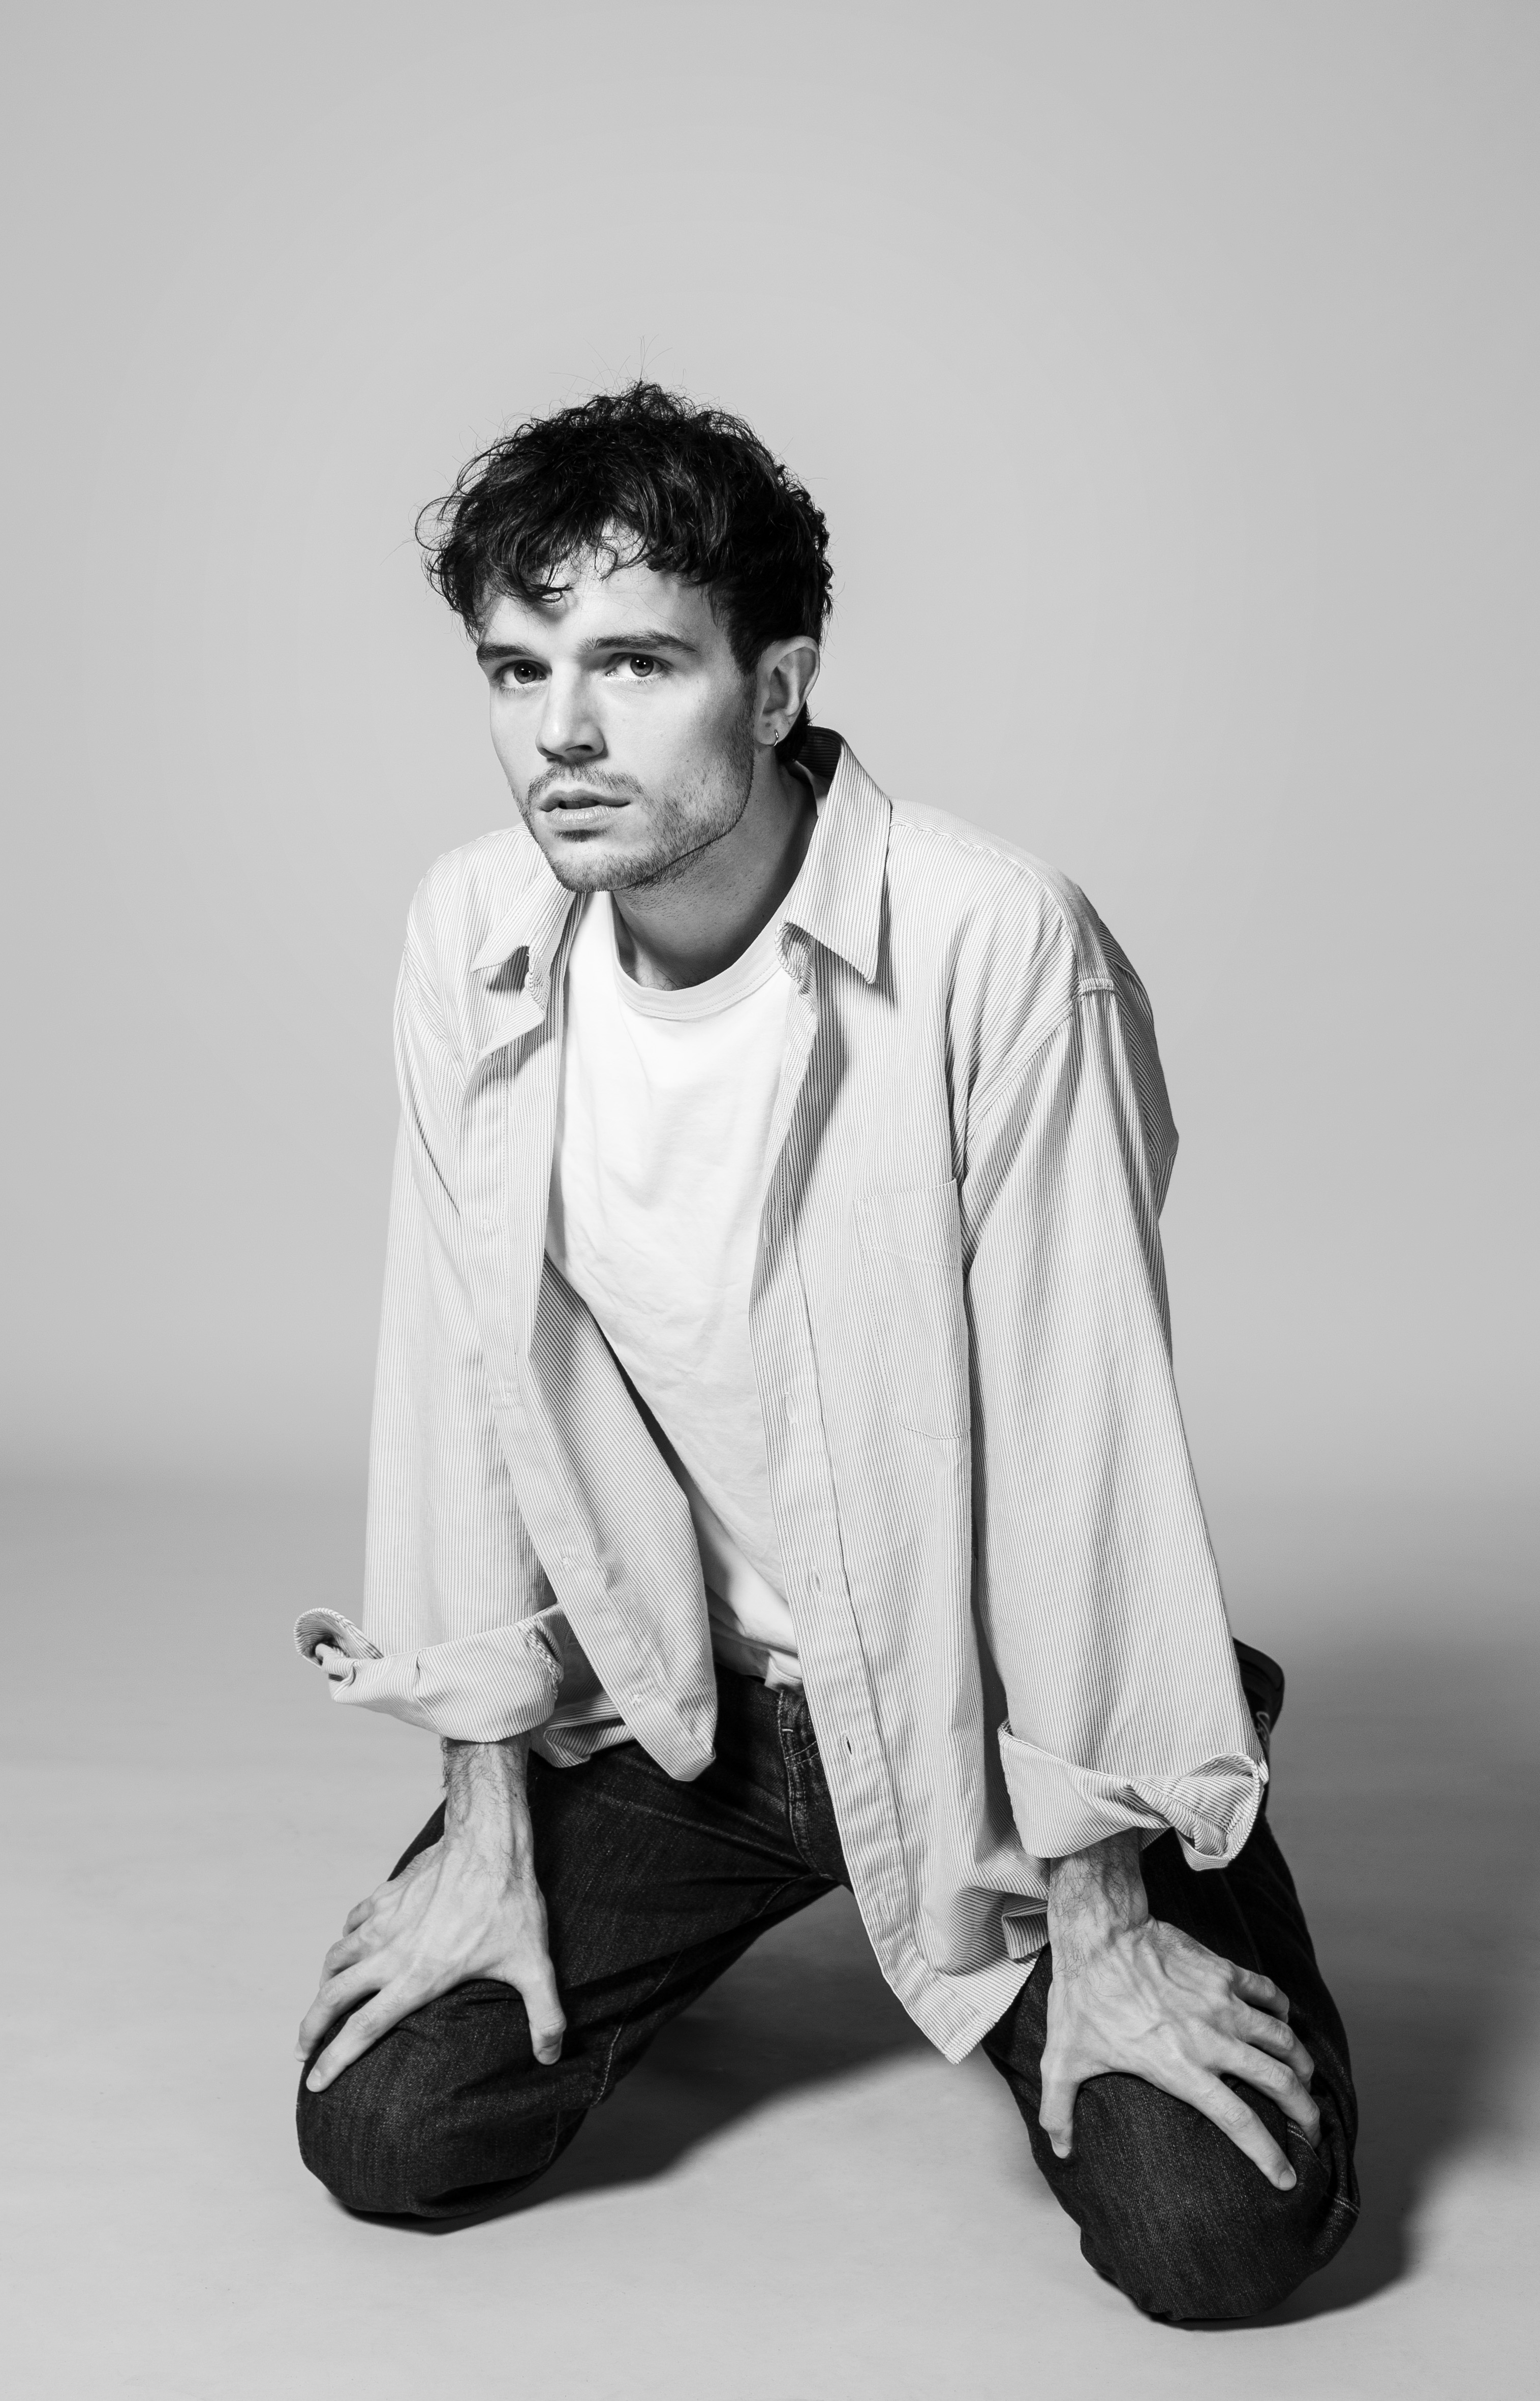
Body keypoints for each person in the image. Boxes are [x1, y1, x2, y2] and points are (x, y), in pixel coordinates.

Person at [292, 382, 1358, 2321]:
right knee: (385, 2125)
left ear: (776, 686)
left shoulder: (998, 946)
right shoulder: (473, 932)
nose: (562, 731)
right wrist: (484, 1819)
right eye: (518, 669)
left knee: (1213, 2235)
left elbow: (1081, 1435)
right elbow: (454, 1381)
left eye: (635, 664)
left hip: (974, 1703)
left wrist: (1103, 1905)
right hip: (685, 1704)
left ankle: (1193, 1759)